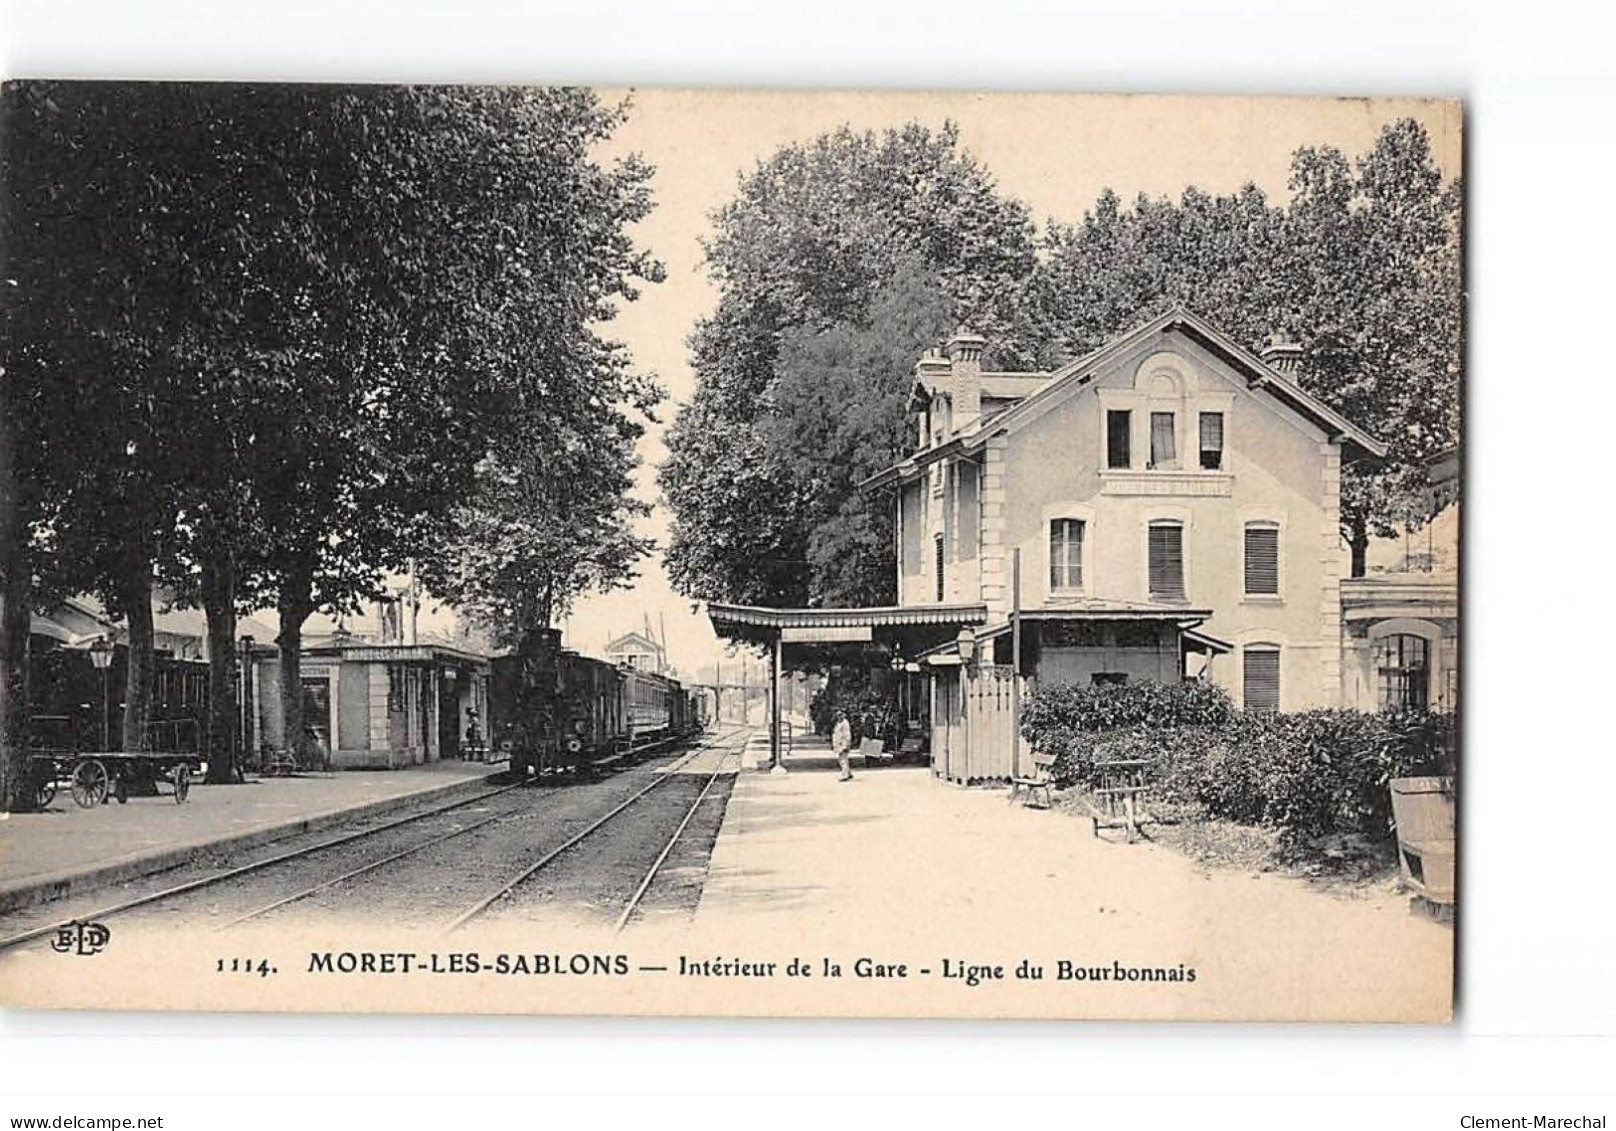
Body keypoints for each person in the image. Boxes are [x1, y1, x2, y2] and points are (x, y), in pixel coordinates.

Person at [831, 710, 854, 782]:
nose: (839, 716)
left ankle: (845, 775)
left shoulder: (845, 723)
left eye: (840, 715)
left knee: (842, 760)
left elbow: (847, 735)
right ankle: (849, 773)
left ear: (843, 715)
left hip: (843, 743)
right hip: (839, 744)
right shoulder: (838, 723)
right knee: (843, 759)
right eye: (838, 715)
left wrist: (846, 745)